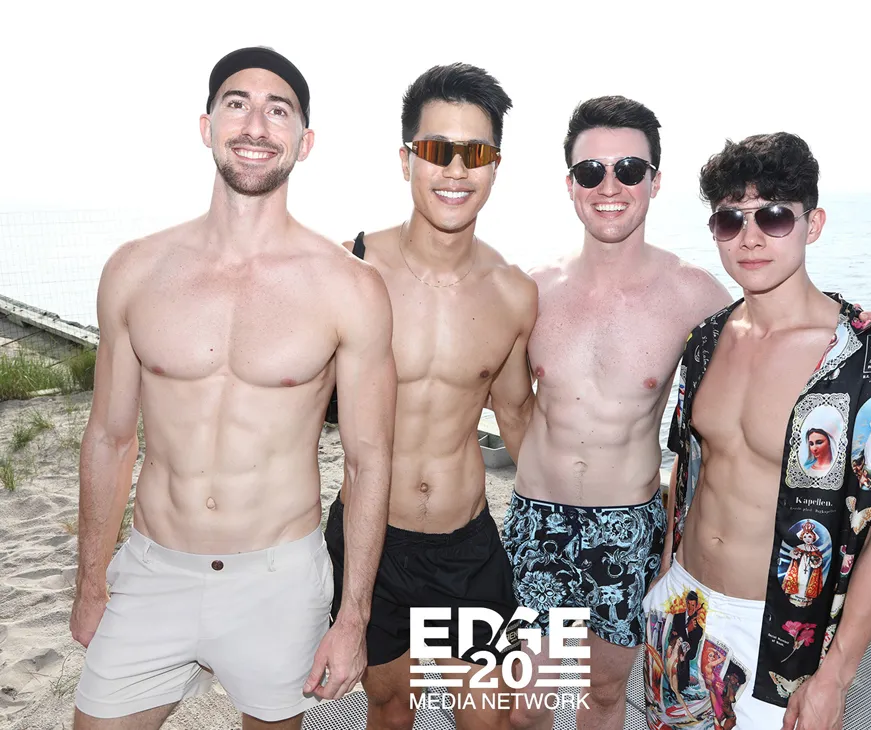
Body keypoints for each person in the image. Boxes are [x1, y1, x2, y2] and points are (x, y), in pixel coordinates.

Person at [504, 97, 871, 730]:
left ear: (654, 181)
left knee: (604, 695)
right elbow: (506, 398)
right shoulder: (531, 288)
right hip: (540, 519)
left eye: (630, 169)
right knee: (526, 704)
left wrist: (864, 331)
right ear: (569, 183)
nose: (610, 186)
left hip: (630, 525)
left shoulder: (695, 296)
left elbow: (776, 315)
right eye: (591, 171)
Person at [70, 47, 397, 730]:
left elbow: (368, 462)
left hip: (278, 580)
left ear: (304, 142)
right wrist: (90, 581)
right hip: (153, 569)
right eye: (237, 105)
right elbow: (110, 436)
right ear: (206, 126)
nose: (255, 125)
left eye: (278, 111)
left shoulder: (350, 287)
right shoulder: (134, 270)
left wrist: (352, 618)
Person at [644, 132, 871, 730]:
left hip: (783, 637)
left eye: (773, 216)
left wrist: (836, 675)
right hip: (681, 606)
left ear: (812, 224)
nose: (750, 237)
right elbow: (690, 467)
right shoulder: (704, 341)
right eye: (730, 219)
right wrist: (664, 576)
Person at [322, 62, 537, 730]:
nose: (456, 170)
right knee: (390, 706)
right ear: (406, 160)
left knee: (489, 717)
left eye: (475, 153)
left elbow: (517, 415)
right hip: (370, 540)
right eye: (437, 149)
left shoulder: (513, 293)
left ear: (496, 166)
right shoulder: (352, 268)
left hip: (465, 546)